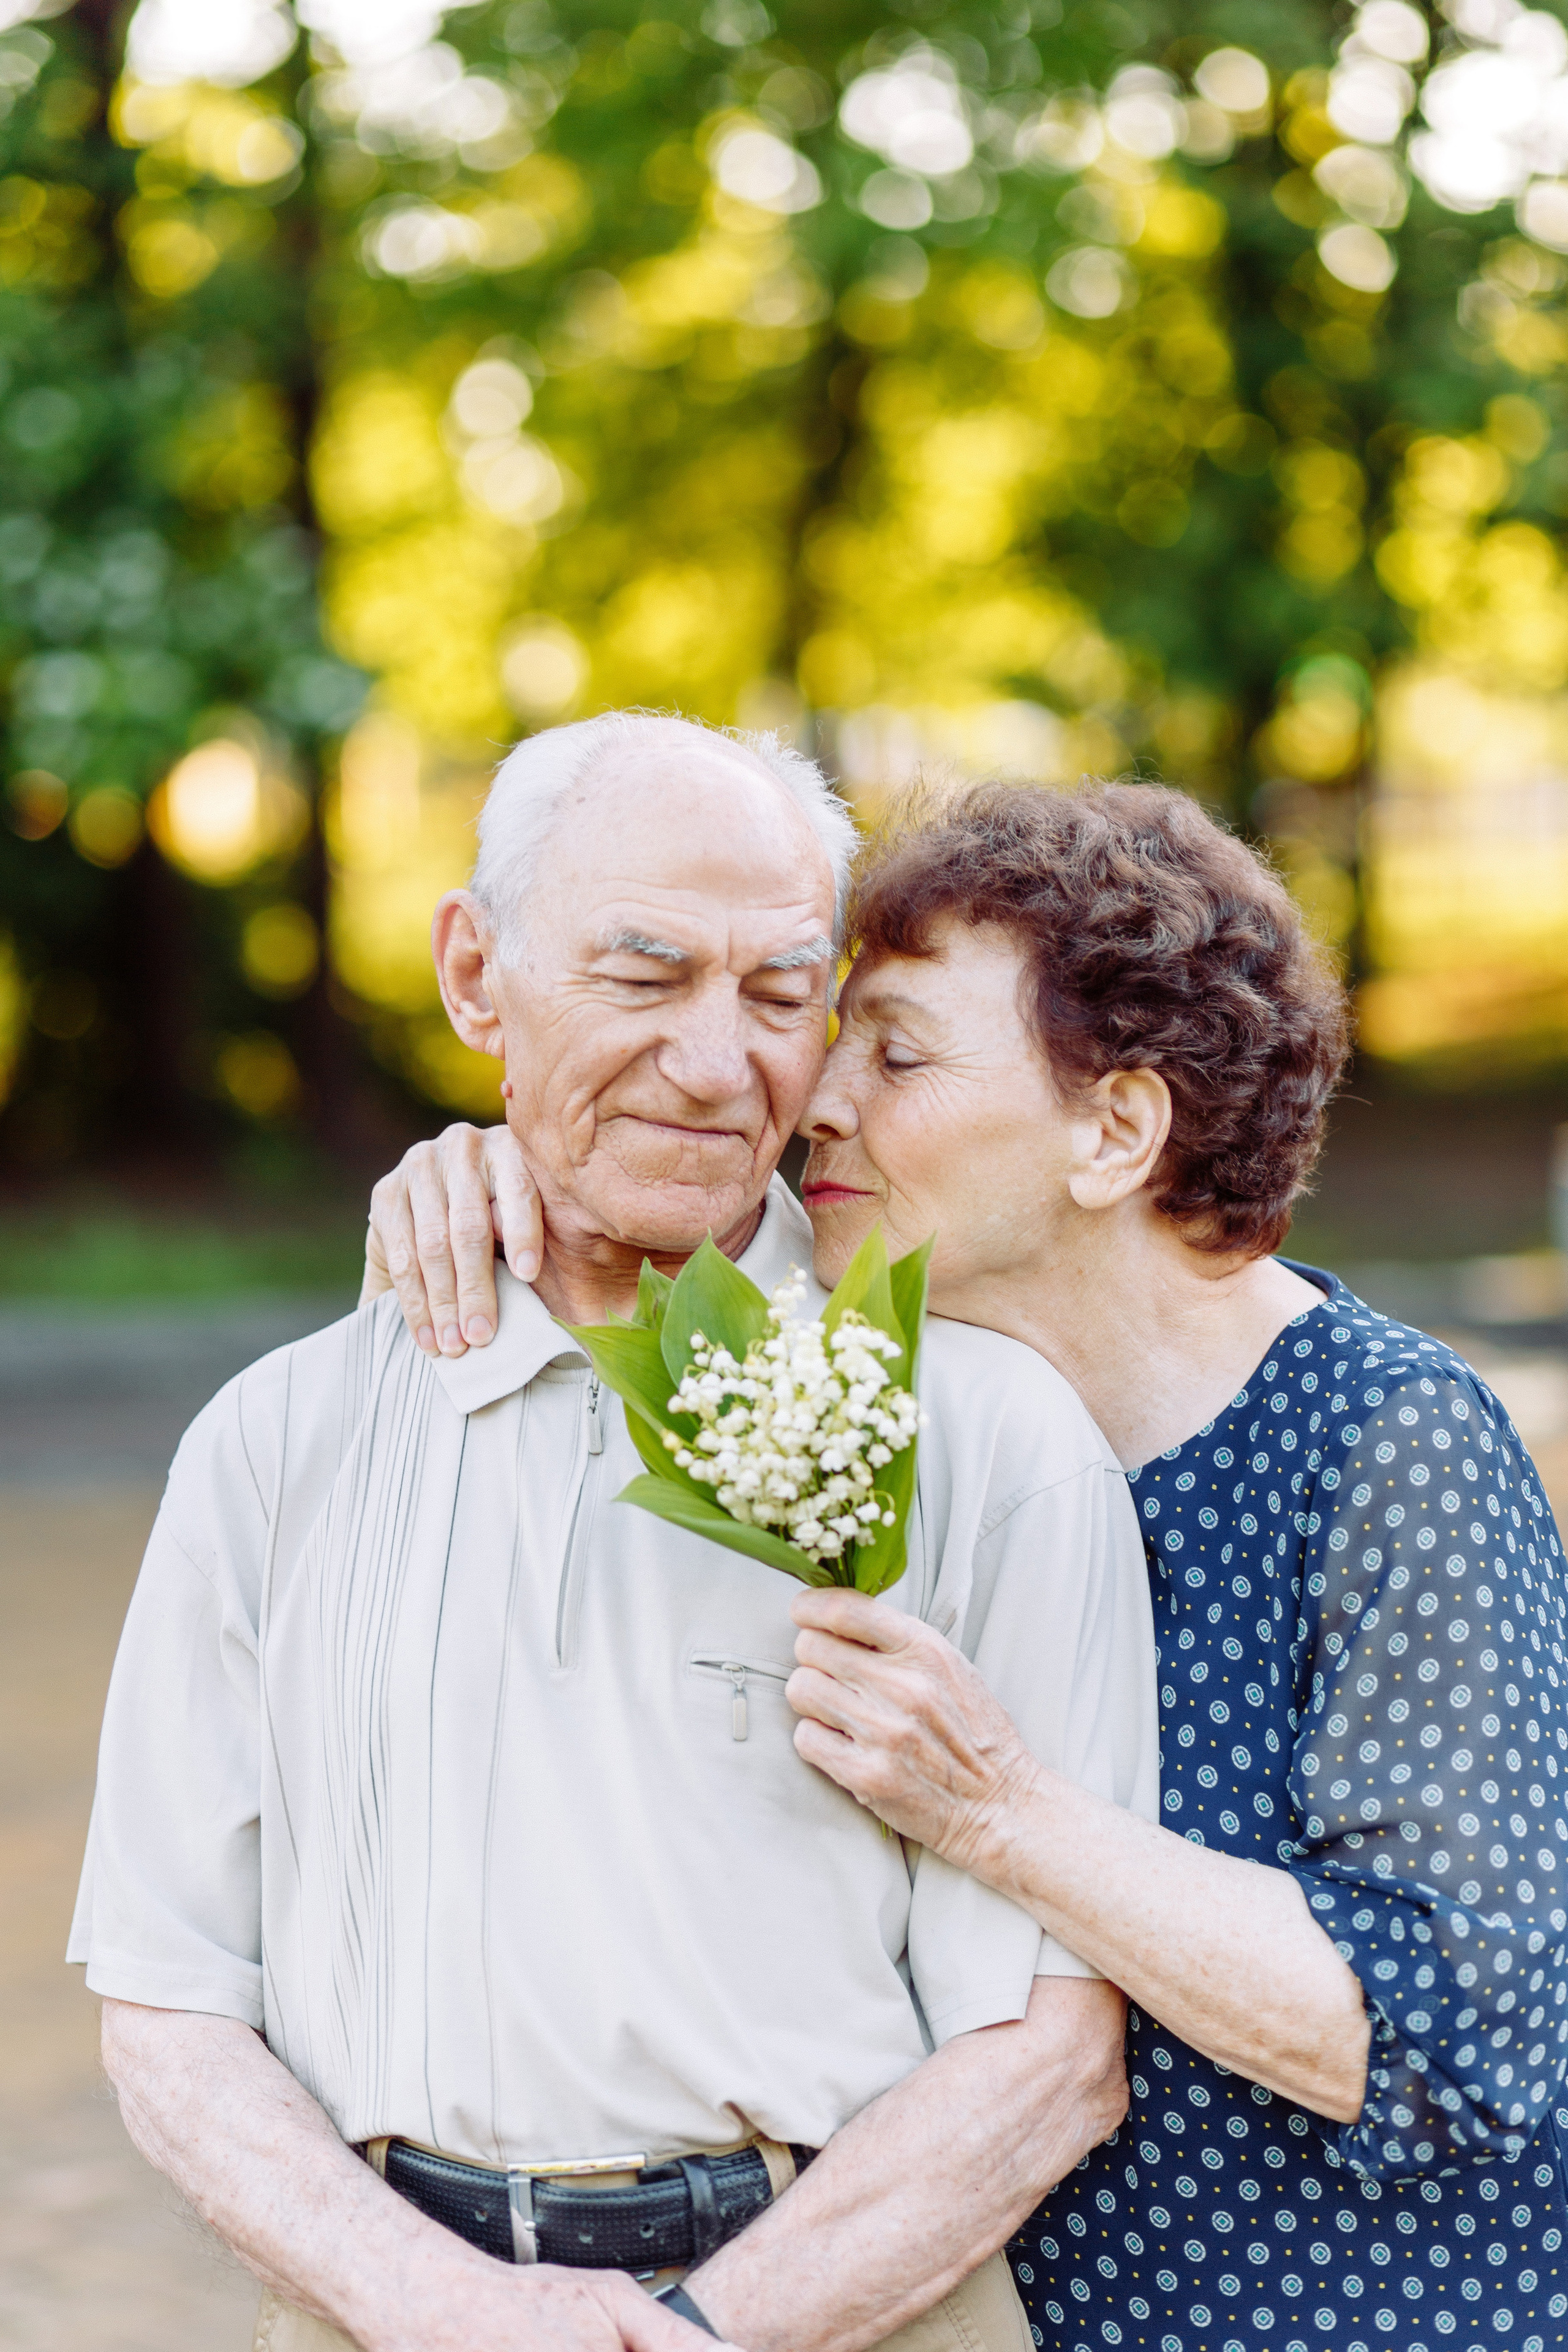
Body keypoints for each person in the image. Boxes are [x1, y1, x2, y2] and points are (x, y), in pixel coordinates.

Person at [374, 778, 1568, 2352]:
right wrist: (489, 1167)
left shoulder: (1389, 1445)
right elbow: (650, 1216)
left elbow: (1460, 2045)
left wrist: (1007, 1813)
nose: (819, 1102)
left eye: (900, 1054)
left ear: (1115, 1130)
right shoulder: (911, 1388)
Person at [70, 722, 1158, 2352]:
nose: (721, 1066)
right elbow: (168, 2000)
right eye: (645, 978)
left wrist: (706, 2333)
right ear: (475, 976)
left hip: (863, 2308)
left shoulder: (986, 1436)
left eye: (783, 995)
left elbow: (1051, 2054)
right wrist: (426, 2304)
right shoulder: (275, 1445)